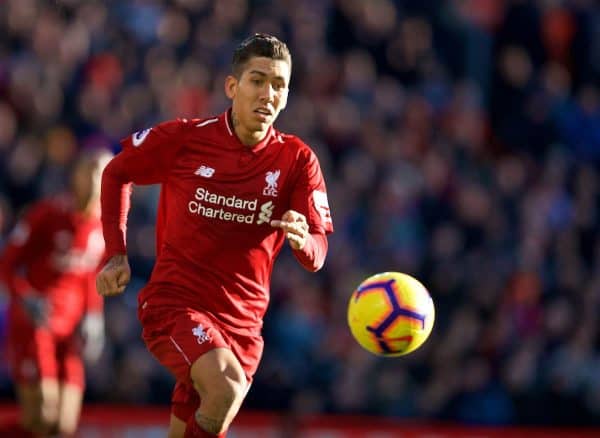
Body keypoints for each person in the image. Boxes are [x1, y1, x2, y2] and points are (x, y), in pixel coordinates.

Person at [96, 33, 333, 437]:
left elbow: (318, 253)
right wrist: (116, 253)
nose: (268, 94)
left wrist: (302, 240)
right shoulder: (187, 138)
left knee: (197, 421)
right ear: (232, 86)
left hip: (243, 326)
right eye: (258, 81)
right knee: (225, 390)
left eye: (279, 85)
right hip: (175, 305)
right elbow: (117, 172)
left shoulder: (297, 160)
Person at [0, 148, 111, 437]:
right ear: (76, 175)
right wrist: (25, 298)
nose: (96, 180)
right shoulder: (46, 214)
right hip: (36, 324)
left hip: (71, 330)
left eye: (103, 173)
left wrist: (94, 318)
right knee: (42, 416)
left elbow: (91, 277)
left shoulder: (105, 226)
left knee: (63, 426)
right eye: (91, 171)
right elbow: (8, 265)